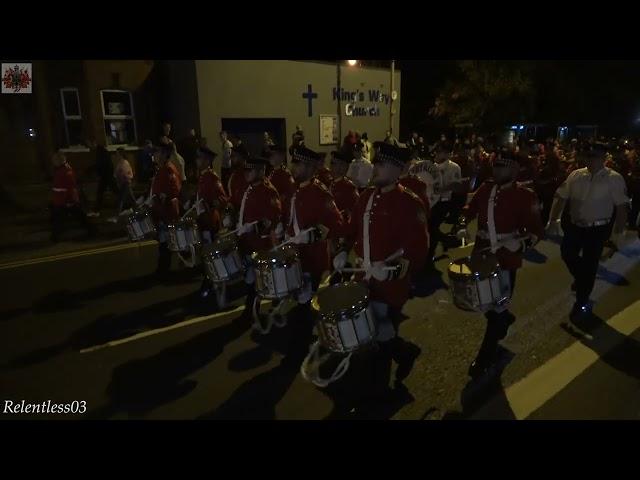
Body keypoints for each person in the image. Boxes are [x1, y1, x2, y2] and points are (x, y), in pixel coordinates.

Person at [332, 141, 429, 395]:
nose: (375, 167)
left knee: (382, 336)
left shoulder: (409, 202)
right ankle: (405, 352)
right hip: (364, 279)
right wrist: (343, 250)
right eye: (375, 162)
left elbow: (418, 248)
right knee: (368, 332)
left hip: (390, 285)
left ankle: (380, 392)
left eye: (381, 164)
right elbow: (352, 229)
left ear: (398, 170)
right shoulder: (365, 197)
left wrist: (397, 269)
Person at [458, 147, 544, 379]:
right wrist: (462, 222)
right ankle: (504, 318)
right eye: (496, 165)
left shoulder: (526, 196)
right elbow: (470, 209)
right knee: (485, 305)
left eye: (502, 166)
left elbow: (536, 231)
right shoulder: (485, 189)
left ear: (514, 169)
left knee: (496, 310)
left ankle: (485, 358)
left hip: (506, 259)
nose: (497, 169)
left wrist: (522, 245)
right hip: (482, 256)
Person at [546, 142, 630, 320]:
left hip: (598, 229)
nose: (591, 160)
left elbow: (622, 207)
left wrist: (618, 233)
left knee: (590, 264)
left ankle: (581, 302)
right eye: (589, 156)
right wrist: (553, 220)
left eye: (595, 157)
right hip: (575, 225)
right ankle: (582, 278)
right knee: (567, 254)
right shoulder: (576, 175)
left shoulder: (613, 178)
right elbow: (560, 196)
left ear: (603, 158)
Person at [235, 155, 283, 324]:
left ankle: (251, 314)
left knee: (255, 281)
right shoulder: (251, 188)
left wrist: (252, 227)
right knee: (251, 280)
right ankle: (253, 311)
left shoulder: (268, 191)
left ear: (261, 171)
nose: (246, 173)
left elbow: (273, 219)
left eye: (250, 170)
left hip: (261, 244)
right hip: (249, 242)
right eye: (246, 170)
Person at [194, 147, 228, 298]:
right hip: (203, 220)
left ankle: (211, 284)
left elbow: (222, 198)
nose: (197, 160)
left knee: (210, 255)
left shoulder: (212, 177)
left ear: (207, 161)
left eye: (200, 158)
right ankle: (212, 282)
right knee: (206, 255)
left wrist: (209, 205)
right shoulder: (202, 176)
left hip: (210, 221)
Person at [426, 142, 463, 268]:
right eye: (437, 151)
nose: (437, 154)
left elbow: (457, 186)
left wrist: (443, 188)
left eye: (440, 151)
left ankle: (432, 253)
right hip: (432, 202)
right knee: (431, 228)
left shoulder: (454, 167)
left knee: (432, 228)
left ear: (447, 153)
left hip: (444, 202)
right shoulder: (432, 167)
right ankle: (444, 241)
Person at [149, 143, 182, 278]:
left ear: (164, 154)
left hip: (166, 212)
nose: (154, 155)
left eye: (156, 153)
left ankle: (163, 271)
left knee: (165, 243)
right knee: (165, 242)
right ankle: (164, 269)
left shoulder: (168, 169)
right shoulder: (162, 168)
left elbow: (175, 190)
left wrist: (163, 197)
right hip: (162, 211)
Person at [50, 150, 95, 242]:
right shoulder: (61, 169)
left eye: (54, 160)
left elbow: (71, 187)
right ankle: (92, 230)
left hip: (65, 200)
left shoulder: (66, 171)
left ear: (59, 160)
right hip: (61, 200)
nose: (53, 162)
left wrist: (70, 200)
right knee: (62, 218)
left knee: (64, 218)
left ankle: (92, 230)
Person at [267, 144, 296, 225]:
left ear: (281, 156)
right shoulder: (273, 172)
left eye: (273, 154)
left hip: (281, 216)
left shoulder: (285, 174)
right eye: (270, 154)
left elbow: (289, 194)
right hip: (272, 214)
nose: (270, 156)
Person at [89, 141, 118, 217]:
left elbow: (101, 164)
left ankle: (97, 209)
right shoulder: (102, 151)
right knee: (112, 190)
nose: (90, 147)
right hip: (107, 174)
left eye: (90, 145)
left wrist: (92, 169)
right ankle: (125, 204)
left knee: (102, 192)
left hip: (106, 175)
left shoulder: (100, 152)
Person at [113, 148, 136, 214]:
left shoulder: (124, 162)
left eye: (117, 153)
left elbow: (127, 174)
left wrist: (121, 174)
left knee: (121, 199)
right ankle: (137, 208)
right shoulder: (121, 162)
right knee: (129, 198)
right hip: (124, 183)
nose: (116, 155)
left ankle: (119, 213)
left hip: (126, 183)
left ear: (121, 154)